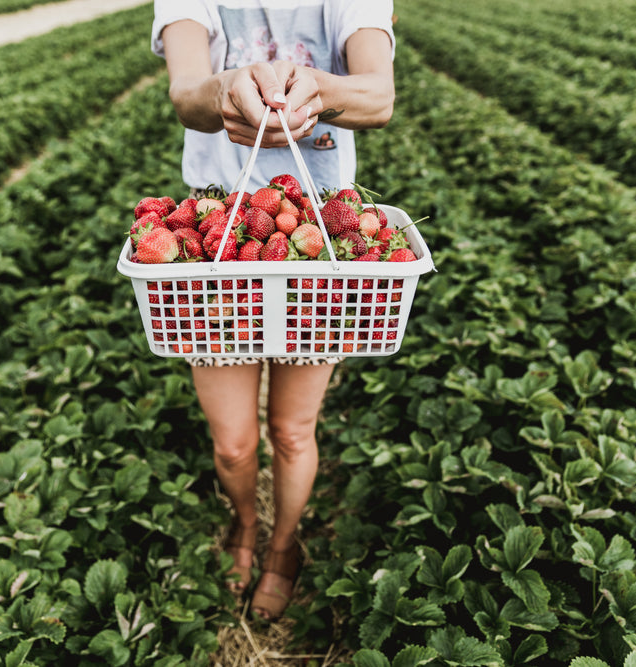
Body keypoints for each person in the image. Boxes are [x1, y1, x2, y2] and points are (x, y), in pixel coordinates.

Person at [150, 0, 395, 622]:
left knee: (291, 430)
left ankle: (281, 548)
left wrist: (318, 90)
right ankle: (244, 522)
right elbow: (185, 93)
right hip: (213, 234)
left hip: (321, 242)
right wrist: (227, 87)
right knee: (233, 445)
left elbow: (378, 96)